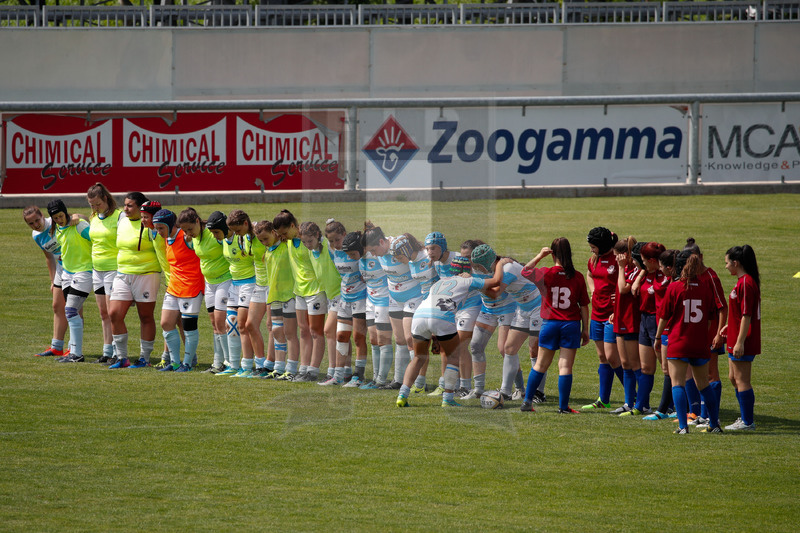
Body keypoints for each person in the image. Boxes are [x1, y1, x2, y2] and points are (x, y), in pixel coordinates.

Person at [396, 256, 510, 408]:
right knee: (454, 357)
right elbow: (496, 281)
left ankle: (402, 395)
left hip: (419, 316)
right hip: (442, 317)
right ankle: (448, 398)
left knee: (417, 358)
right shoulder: (468, 280)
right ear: (468, 270)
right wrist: (500, 264)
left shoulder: (439, 282)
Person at [654, 251, 723, 434]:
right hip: (699, 343)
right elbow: (710, 319)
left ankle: (683, 427)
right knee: (704, 385)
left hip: (679, 341)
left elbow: (664, 316)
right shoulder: (705, 287)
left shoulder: (675, 287)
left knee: (677, 383)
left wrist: (658, 337)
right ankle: (714, 424)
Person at [520, 238, 590, 413]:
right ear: (570, 254)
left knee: (540, 365)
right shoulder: (577, 276)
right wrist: (585, 329)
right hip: (571, 325)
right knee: (565, 367)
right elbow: (583, 306)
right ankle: (563, 407)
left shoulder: (546, 273)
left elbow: (525, 271)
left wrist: (539, 256)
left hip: (550, 324)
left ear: (552, 254)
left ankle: (527, 402)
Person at [474, 244, 543, 402]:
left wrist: (476, 284)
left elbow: (496, 293)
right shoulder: (500, 267)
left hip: (538, 307)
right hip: (522, 309)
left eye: (478, 266)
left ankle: (538, 393)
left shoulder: (507, 268)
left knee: (534, 349)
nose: (478, 269)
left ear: (486, 263)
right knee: (509, 348)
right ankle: (505, 391)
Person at [364, 221, 422, 390]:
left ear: (382, 242)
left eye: (373, 250)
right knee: (400, 340)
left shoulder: (399, 247)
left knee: (411, 339)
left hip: (413, 297)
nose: (373, 255)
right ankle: (398, 380)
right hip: (395, 300)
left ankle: (418, 382)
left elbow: (420, 254)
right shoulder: (379, 252)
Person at [108, 192, 161, 369]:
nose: (125, 209)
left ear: (141, 207)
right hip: (122, 274)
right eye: (125, 205)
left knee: (145, 316)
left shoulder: (151, 225)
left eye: (130, 206)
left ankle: (144, 358)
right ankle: (122, 357)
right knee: (114, 314)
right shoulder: (122, 221)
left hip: (147, 274)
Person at [274, 209, 327, 382]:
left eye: (284, 233)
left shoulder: (308, 240)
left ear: (292, 226)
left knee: (315, 331)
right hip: (299, 292)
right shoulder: (289, 242)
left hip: (316, 291)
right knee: (303, 330)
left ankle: (313, 370)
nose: (283, 237)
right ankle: (303, 369)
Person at [178, 208, 232, 373]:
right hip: (209, 284)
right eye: (185, 230)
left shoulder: (213, 233)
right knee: (214, 324)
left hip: (225, 280)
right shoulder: (194, 238)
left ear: (197, 221)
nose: (188, 233)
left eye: (190, 229)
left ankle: (230, 363)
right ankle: (217, 363)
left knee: (221, 322)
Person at [152, 210, 204, 372]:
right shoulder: (167, 238)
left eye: (161, 228)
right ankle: (174, 362)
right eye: (156, 229)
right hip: (173, 287)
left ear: (170, 225)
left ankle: (187, 363)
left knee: (189, 327)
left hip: (191, 287)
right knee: (166, 323)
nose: (158, 232)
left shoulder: (187, 236)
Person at [466, 240, 517, 400]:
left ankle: (518, 389)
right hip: (487, 309)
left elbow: (495, 291)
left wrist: (475, 284)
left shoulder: (501, 267)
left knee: (505, 349)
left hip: (507, 308)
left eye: (469, 257)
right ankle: (478, 390)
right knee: (475, 346)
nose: (468, 261)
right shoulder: (471, 268)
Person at [622, 241, 666, 416]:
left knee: (667, 368)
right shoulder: (646, 272)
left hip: (658, 322)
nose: (641, 263)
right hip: (644, 321)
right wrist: (640, 275)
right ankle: (640, 407)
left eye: (644, 260)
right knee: (646, 368)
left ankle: (669, 407)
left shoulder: (664, 276)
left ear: (653, 260)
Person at [582, 227, 624, 411]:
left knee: (612, 357)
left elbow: (627, 279)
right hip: (597, 313)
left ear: (603, 245)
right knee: (602, 357)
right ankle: (603, 400)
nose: (591, 249)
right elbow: (589, 274)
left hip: (613, 314)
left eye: (593, 246)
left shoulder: (618, 259)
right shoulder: (594, 259)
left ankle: (634, 396)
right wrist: (593, 290)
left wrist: (619, 296)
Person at [47, 199, 93, 363]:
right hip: (67, 274)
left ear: (65, 212)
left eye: (61, 216)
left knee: (71, 311)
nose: (59, 220)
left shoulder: (79, 225)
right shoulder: (58, 229)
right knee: (72, 313)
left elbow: (97, 241)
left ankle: (77, 354)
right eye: (55, 218)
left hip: (84, 272)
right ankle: (73, 351)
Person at [211, 210, 256, 377]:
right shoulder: (224, 240)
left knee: (243, 325)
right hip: (234, 285)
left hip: (249, 284)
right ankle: (234, 365)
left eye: (217, 232)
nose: (215, 236)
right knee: (230, 324)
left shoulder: (244, 237)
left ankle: (248, 366)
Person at [324, 221, 369, 386]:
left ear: (344, 234)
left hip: (360, 298)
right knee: (341, 336)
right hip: (344, 298)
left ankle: (358, 376)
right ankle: (338, 376)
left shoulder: (357, 249)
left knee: (358, 337)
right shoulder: (334, 252)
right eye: (331, 241)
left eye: (337, 239)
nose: (335, 244)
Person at [722, 245, 761, 431]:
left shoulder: (746, 283)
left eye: (727, 263)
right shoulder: (743, 282)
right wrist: (730, 326)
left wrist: (739, 342)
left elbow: (747, 315)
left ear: (736, 263)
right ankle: (744, 418)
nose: (726, 266)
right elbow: (741, 314)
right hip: (736, 336)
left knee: (741, 380)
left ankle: (747, 421)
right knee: (733, 377)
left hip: (743, 340)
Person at [300, 220, 342, 384]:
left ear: (318, 235)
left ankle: (333, 371)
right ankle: (340, 371)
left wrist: (331, 223)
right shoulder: (311, 251)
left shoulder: (328, 246)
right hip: (331, 296)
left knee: (328, 330)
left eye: (310, 241)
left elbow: (336, 241)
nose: (307, 245)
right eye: (304, 242)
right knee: (337, 334)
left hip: (341, 294)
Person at [256, 220, 299, 381]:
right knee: (276, 331)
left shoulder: (286, 246)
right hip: (274, 298)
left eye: (266, 239)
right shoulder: (267, 251)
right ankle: (279, 368)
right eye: (261, 240)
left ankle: (291, 369)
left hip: (289, 296)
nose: (264, 242)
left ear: (274, 233)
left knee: (290, 333)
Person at [23, 206, 69, 358]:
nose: (36, 225)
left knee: (74, 308)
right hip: (61, 269)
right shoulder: (36, 235)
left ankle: (74, 348)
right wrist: (52, 280)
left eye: (37, 220)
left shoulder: (56, 222)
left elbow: (78, 218)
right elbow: (49, 257)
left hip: (76, 266)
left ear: (43, 215)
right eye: (31, 223)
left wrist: (76, 217)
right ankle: (56, 347)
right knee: (57, 306)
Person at [86, 182, 122, 364]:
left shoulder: (119, 216)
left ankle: (117, 351)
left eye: (98, 204)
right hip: (97, 270)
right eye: (91, 205)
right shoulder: (93, 217)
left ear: (106, 199)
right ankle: (107, 351)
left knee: (112, 312)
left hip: (113, 269)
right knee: (103, 313)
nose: (95, 208)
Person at [351, 229, 392, 390]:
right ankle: (375, 378)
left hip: (384, 301)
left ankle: (381, 380)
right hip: (370, 301)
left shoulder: (378, 255)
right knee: (373, 340)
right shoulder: (362, 259)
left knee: (383, 340)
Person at [643, 249, 679, 421]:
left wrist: (657, 336)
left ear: (669, 268)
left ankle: (667, 409)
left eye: (662, 266)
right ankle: (668, 408)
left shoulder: (674, 284)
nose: (659, 268)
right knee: (667, 369)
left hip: (669, 329)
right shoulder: (669, 280)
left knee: (674, 371)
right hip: (664, 328)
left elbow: (666, 312)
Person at [610, 237, 642, 416]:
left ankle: (642, 403)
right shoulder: (627, 269)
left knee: (635, 365)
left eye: (617, 255)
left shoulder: (635, 270)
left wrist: (621, 268)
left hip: (631, 321)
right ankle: (629, 402)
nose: (615, 259)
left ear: (624, 255)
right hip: (620, 319)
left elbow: (623, 289)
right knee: (625, 364)